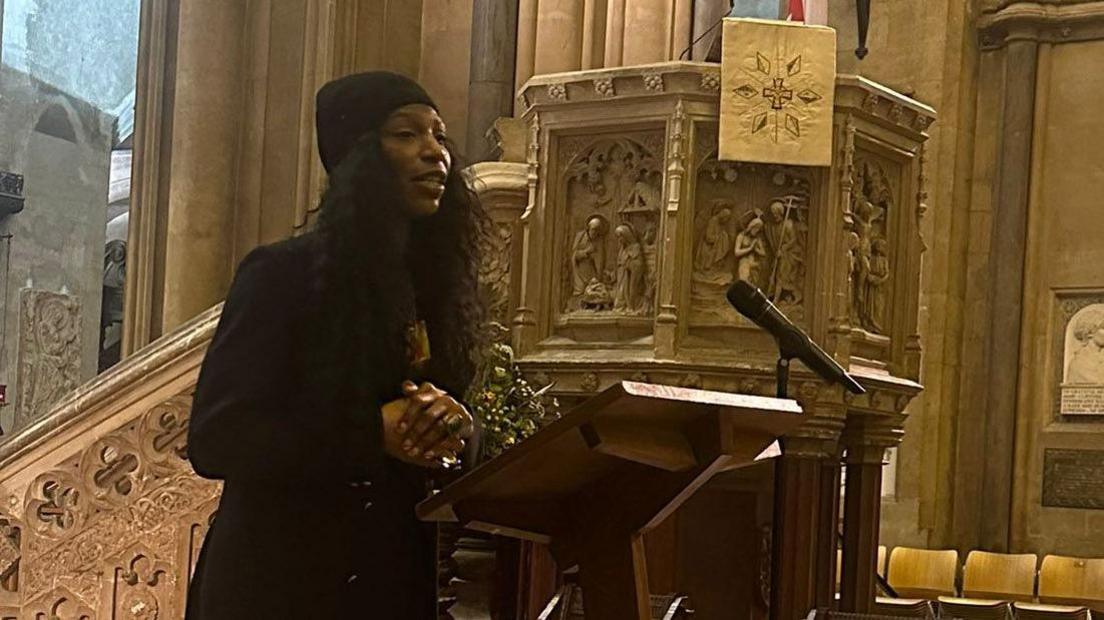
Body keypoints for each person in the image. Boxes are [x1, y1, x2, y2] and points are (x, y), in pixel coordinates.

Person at [185, 71, 483, 619]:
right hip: (277, 587)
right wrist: (373, 433)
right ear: (358, 156)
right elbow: (217, 437)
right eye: (406, 134)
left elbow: (435, 435)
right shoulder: (282, 274)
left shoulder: (432, 289)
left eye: (440, 136)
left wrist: (456, 428)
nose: (434, 154)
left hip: (387, 583)